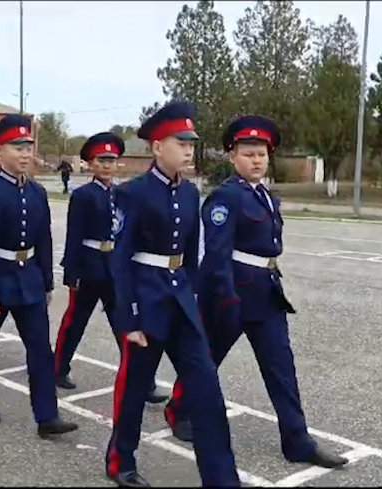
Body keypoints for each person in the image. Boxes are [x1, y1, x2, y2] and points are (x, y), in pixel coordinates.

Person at [164, 115, 350, 469]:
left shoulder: (265, 195)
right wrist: (223, 298)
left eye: (262, 154)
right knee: (205, 360)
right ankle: (179, 410)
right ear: (233, 156)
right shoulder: (225, 197)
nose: (257, 160)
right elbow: (215, 256)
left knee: (282, 368)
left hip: (266, 295)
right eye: (249, 153)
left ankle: (297, 440)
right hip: (231, 293)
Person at [104, 102, 240, 488]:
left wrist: (194, 296)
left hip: (180, 301)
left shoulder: (189, 195)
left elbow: (192, 256)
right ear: (156, 146)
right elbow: (121, 260)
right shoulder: (133, 193)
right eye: (179, 142)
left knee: (207, 393)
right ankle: (120, 462)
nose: (187, 150)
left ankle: (221, 477)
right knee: (133, 392)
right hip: (146, 303)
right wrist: (128, 320)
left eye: (190, 144)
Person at [0, 114, 78, 436]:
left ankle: (47, 417)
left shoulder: (37, 192)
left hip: (28, 278)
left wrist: (46, 281)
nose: (25, 153)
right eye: (17, 147)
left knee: (40, 351)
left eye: (28, 146)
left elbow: (43, 239)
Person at [53, 132, 168, 405]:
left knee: (127, 324)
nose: (107, 165)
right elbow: (74, 235)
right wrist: (72, 271)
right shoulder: (83, 195)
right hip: (89, 265)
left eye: (111, 160)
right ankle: (58, 369)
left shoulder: (123, 193)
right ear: (91, 164)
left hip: (114, 267)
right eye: (101, 160)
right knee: (75, 322)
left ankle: (142, 379)